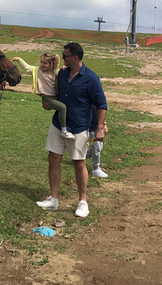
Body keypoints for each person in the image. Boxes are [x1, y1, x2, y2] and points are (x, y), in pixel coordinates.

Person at [36, 42, 107, 218]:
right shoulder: (62, 74)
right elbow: (57, 97)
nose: (62, 57)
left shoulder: (91, 78)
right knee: (53, 159)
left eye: (65, 55)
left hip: (79, 127)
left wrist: (100, 127)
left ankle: (83, 202)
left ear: (75, 57)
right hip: (58, 125)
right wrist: (48, 105)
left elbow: (101, 104)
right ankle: (53, 199)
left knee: (79, 163)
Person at [12, 52, 74, 139]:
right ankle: (64, 131)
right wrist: (19, 60)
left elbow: (67, 73)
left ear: (52, 64)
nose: (42, 64)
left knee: (68, 106)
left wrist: (66, 68)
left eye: (45, 63)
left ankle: (72, 127)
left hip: (56, 97)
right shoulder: (37, 71)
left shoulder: (56, 73)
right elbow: (27, 68)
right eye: (41, 62)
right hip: (47, 98)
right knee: (62, 107)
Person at [87, 105, 109, 178]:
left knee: (97, 147)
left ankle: (81, 157)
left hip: (98, 128)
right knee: (97, 148)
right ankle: (95, 168)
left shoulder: (97, 99)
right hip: (92, 129)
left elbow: (101, 111)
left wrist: (104, 124)